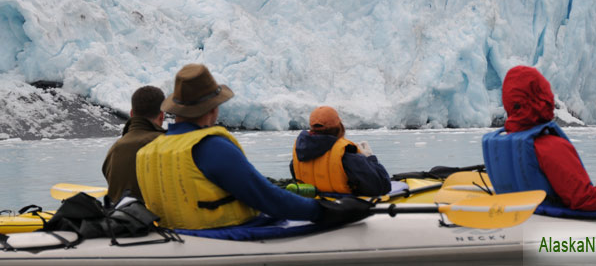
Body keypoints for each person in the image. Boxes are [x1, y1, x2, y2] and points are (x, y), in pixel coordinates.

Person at [135, 64, 369, 230]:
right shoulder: (211, 147)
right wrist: (324, 210)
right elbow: (266, 198)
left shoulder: (149, 151)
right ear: (213, 109)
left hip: (176, 235)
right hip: (222, 236)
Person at [482, 65, 596, 211]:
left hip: (522, 217)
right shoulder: (548, 146)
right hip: (553, 219)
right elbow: (582, 198)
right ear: (543, 97)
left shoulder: (504, 141)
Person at [290, 106, 391, 196]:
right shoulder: (348, 156)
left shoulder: (299, 154)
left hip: (313, 203)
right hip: (344, 208)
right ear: (339, 126)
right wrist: (370, 158)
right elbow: (382, 187)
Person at [102, 85, 166, 204]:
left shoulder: (115, 149)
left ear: (131, 114)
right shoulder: (165, 144)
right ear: (162, 116)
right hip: (153, 220)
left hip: (118, 218)